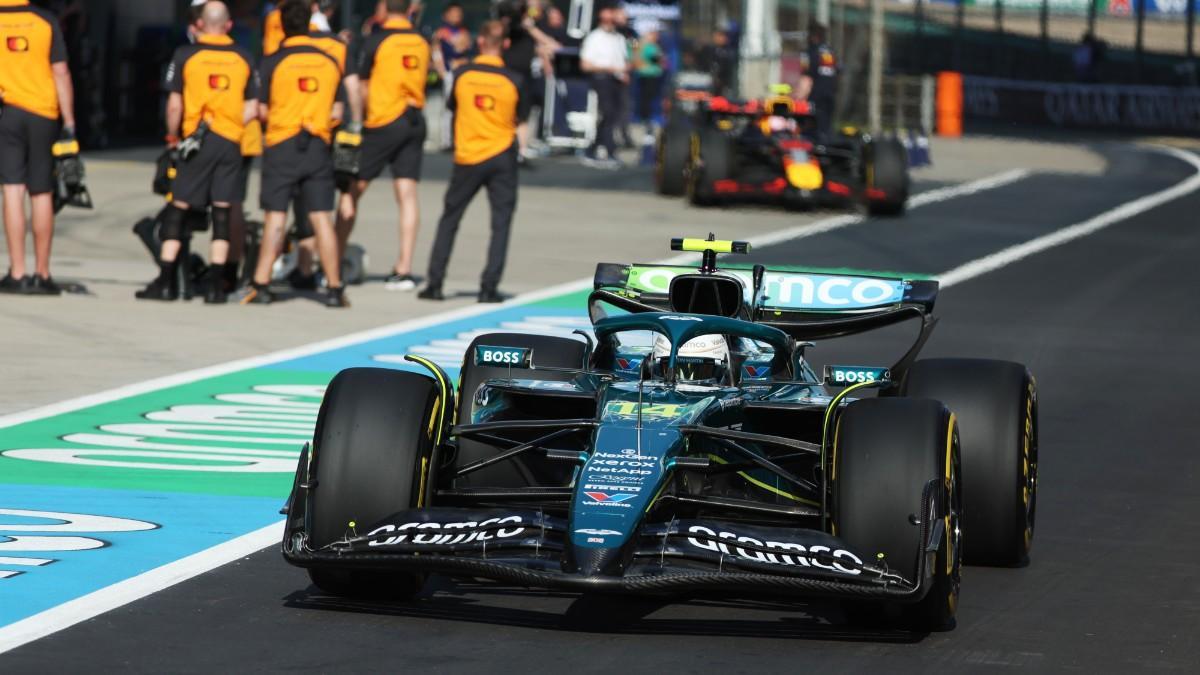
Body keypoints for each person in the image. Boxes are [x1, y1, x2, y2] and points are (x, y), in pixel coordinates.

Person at [137, 1, 258, 304]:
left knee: (179, 208)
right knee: (221, 210)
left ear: (200, 24)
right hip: (229, 140)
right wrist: (230, 123)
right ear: (228, 25)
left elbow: (175, 104)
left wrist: (172, 136)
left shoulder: (186, 55)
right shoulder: (243, 57)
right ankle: (217, 285)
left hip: (195, 140)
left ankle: (166, 281)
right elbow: (253, 106)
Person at [243, 0, 347, 308]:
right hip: (316, 144)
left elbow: (260, 108)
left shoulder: (273, 61)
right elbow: (338, 110)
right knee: (321, 218)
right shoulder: (329, 62)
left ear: (283, 26)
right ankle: (334, 286)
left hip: (282, 144)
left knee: (276, 216)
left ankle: (261, 283)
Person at [419, 20, 524, 304]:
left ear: (480, 42)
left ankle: (435, 283)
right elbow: (520, 116)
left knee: (450, 218)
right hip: (501, 154)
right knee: (500, 223)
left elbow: (453, 106)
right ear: (505, 45)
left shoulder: (464, 74)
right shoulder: (513, 79)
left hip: (468, 155)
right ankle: (488, 288)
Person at [335, 0, 429, 291]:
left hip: (383, 121)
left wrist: (358, 121)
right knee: (407, 193)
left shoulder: (377, 40)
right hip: (414, 118)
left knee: (352, 188)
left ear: (385, 8)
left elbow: (362, 85)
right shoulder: (421, 41)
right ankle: (404, 268)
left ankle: (332, 262)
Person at [0, 0, 76, 295]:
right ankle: (42, 273)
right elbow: (61, 72)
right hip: (43, 113)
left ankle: (17, 272)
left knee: (12, 189)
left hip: (7, 112)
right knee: (42, 190)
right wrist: (69, 122)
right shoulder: (45, 21)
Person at [498, 0, 559, 164]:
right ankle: (504, 146)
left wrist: (531, 27)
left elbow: (550, 44)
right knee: (506, 110)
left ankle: (521, 150)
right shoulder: (510, 26)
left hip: (524, 75)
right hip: (508, 73)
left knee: (523, 113)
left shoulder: (533, 27)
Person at [579, 6, 628, 169]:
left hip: (617, 80)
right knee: (607, 112)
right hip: (602, 78)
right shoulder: (594, 38)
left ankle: (592, 148)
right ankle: (609, 150)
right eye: (607, 20)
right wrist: (608, 69)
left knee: (614, 116)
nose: (610, 23)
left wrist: (623, 72)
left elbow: (623, 60)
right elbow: (586, 64)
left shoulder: (619, 38)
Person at [433, 3, 471, 150]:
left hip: (462, 74)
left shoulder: (463, 31)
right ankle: (446, 140)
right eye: (453, 13)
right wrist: (442, 71)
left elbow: (464, 48)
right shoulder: (441, 32)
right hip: (449, 73)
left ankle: (460, 138)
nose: (457, 16)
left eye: (458, 13)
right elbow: (437, 52)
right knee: (448, 108)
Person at [800, 22, 837, 141]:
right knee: (826, 129)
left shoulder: (809, 53)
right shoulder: (831, 52)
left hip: (815, 96)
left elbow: (806, 79)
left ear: (812, 36)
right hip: (830, 95)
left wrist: (798, 98)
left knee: (810, 132)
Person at [633, 22, 664, 126]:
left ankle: (648, 117)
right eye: (654, 34)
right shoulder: (644, 45)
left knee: (651, 98)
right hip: (646, 76)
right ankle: (644, 118)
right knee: (645, 98)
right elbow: (637, 60)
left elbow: (662, 61)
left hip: (654, 76)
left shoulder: (654, 46)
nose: (656, 36)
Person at [700, 28, 737, 98]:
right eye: (719, 36)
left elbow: (727, 69)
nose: (722, 39)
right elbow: (705, 64)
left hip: (724, 84)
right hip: (710, 82)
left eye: (724, 36)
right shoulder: (709, 50)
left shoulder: (728, 52)